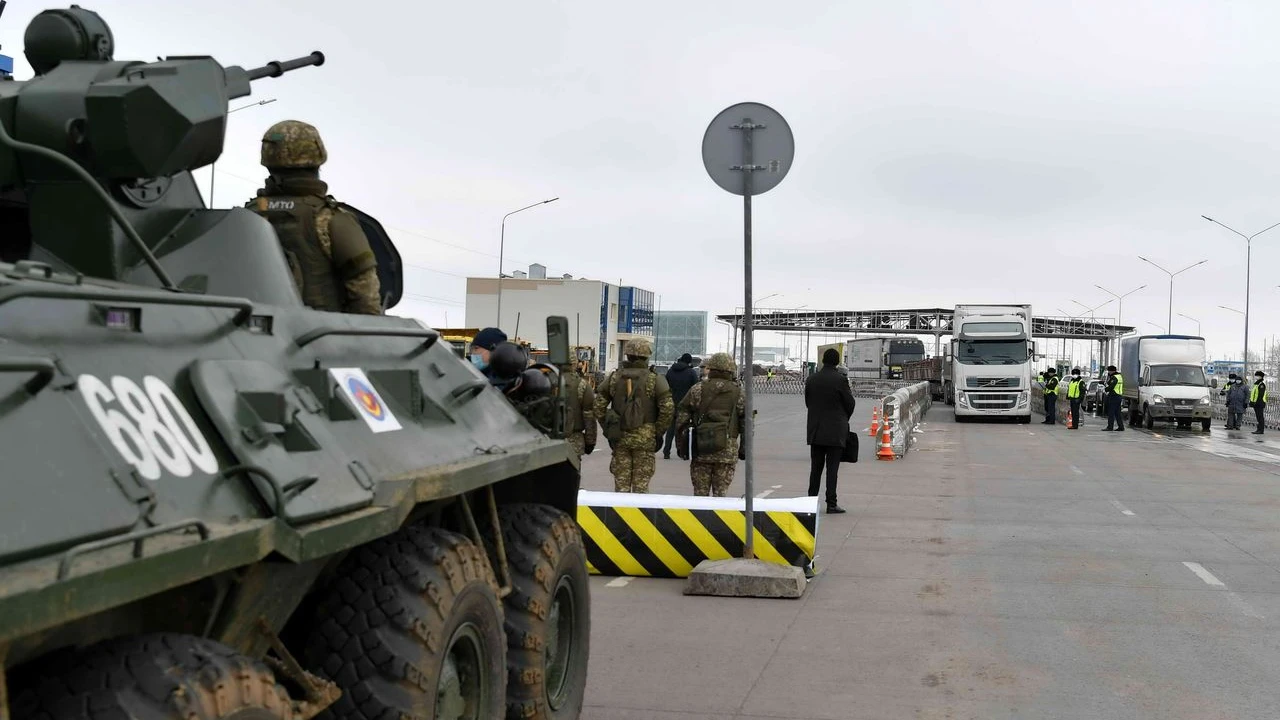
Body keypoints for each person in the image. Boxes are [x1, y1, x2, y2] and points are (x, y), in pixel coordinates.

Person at [247, 120, 382, 314]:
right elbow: (365, 297)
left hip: (252, 336)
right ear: (316, 158)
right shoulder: (331, 219)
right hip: (319, 337)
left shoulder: (248, 215)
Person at [594, 338, 674, 493]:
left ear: (627, 355)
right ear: (646, 356)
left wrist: (609, 428)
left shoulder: (614, 377)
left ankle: (619, 516)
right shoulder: (655, 379)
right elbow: (668, 409)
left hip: (620, 438)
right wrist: (657, 431)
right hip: (645, 439)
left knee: (621, 488)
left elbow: (598, 406)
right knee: (641, 489)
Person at [675, 352, 745, 497]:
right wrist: (744, 448)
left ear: (711, 369)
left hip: (701, 449)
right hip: (726, 451)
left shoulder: (698, 389)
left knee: (700, 495)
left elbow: (682, 417)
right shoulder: (738, 392)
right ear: (730, 370)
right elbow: (746, 423)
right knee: (720, 495)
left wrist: (681, 444)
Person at [804, 347, 856, 513]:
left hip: (816, 430)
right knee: (832, 470)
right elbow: (850, 403)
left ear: (823, 360)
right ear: (837, 362)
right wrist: (842, 418)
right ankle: (831, 504)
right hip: (835, 432)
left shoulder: (812, 379)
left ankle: (810, 503)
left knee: (815, 469)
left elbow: (808, 402)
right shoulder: (840, 380)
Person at [663, 353, 701, 459]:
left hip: (671, 403)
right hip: (685, 406)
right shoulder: (691, 373)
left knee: (670, 429)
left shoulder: (670, 371)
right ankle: (681, 451)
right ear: (689, 361)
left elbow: (666, 387)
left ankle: (666, 451)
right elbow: (696, 388)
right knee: (682, 429)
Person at [564, 363, 597, 460]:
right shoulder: (582, 385)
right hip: (574, 440)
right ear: (574, 364)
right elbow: (589, 416)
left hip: (547, 441)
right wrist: (590, 442)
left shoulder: (545, 381)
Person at [1102, 364, 1125, 431]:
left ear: (1112, 371)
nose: (1108, 372)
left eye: (1109, 371)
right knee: (1117, 413)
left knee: (1111, 412)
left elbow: (1111, 386)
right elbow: (1109, 383)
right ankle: (1121, 427)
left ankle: (1110, 427)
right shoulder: (1119, 376)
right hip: (1119, 396)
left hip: (1114, 396)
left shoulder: (1114, 377)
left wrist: (1105, 389)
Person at [1250, 370, 1268, 435]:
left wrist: (1257, 402)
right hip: (1256, 403)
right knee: (1258, 417)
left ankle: (1261, 430)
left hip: (1260, 403)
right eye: (1256, 375)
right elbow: (1254, 394)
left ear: (1261, 377)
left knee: (1260, 417)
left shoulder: (1261, 384)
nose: (1256, 377)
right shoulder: (1256, 384)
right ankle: (1258, 429)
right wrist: (1252, 402)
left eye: (1257, 376)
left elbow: (1261, 394)